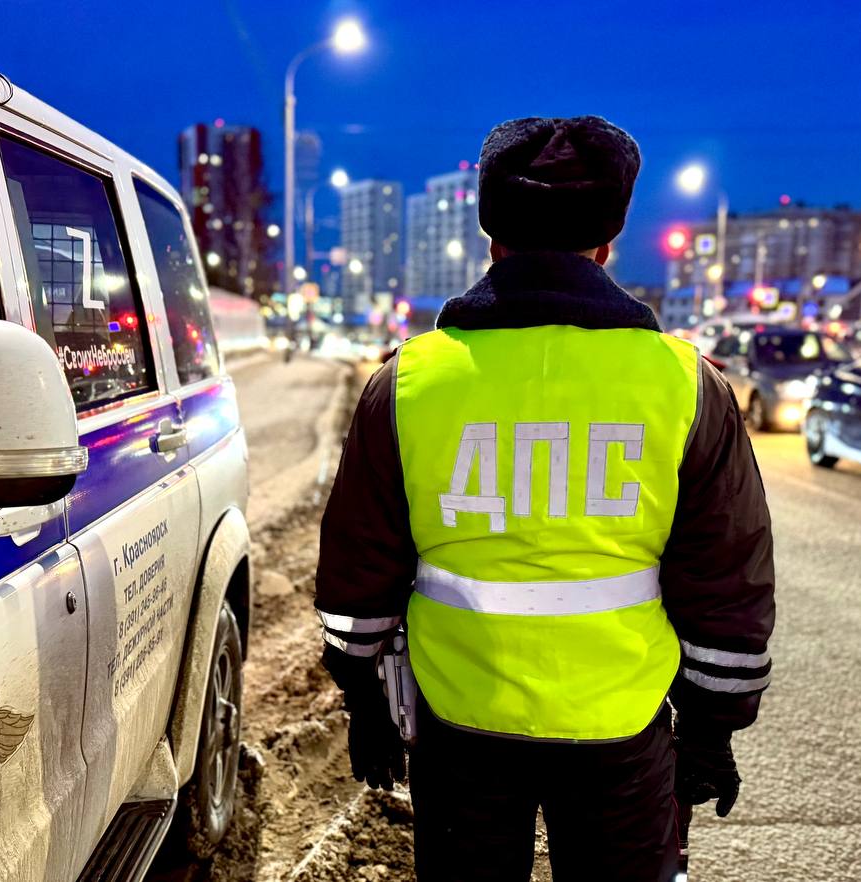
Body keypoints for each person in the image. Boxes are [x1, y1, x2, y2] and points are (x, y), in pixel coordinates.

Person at [314, 116, 775, 882]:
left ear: (492, 241)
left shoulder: (408, 382)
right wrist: (711, 730)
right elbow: (725, 575)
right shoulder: (687, 384)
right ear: (607, 245)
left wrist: (363, 697)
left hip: (458, 726)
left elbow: (360, 567)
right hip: (623, 732)